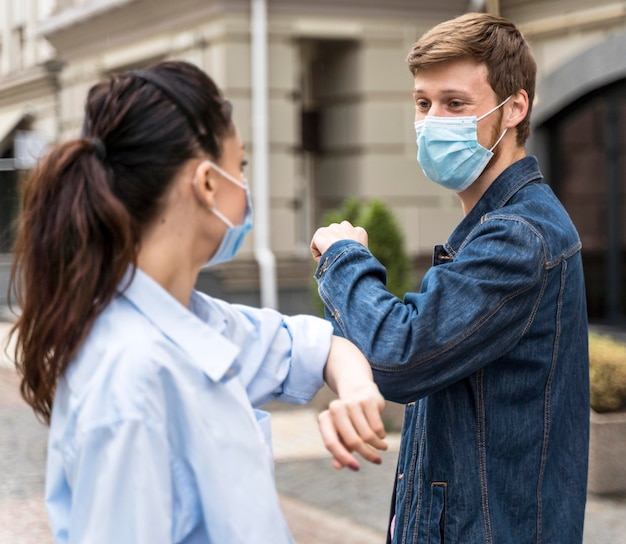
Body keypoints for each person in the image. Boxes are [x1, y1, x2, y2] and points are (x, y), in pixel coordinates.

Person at [8, 60, 389, 543]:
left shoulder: (193, 320)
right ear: (208, 183)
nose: (246, 186)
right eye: (241, 166)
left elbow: (318, 346)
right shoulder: (132, 377)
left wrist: (355, 390)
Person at [310, 13, 589, 544]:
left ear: (515, 108)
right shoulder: (490, 227)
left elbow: (400, 353)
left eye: (455, 103)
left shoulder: (518, 238)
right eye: (423, 103)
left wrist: (344, 258)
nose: (433, 120)